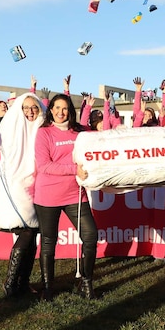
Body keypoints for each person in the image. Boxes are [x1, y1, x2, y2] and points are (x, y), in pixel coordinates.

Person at [34, 93, 98, 300]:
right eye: (57, 108)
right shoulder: (44, 133)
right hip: (48, 195)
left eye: (65, 109)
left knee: (90, 236)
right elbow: (44, 165)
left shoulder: (81, 132)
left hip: (75, 194)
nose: (61, 113)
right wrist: (74, 169)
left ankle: (86, 282)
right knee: (48, 242)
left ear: (70, 111)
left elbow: (99, 145)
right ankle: (47, 287)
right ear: (50, 110)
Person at [0, 93, 44, 298]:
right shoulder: (10, 126)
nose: (30, 111)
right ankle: (11, 282)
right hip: (16, 184)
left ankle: (22, 281)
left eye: (34, 107)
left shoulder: (42, 125)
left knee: (33, 233)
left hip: (38, 184)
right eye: (26, 107)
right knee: (27, 231)